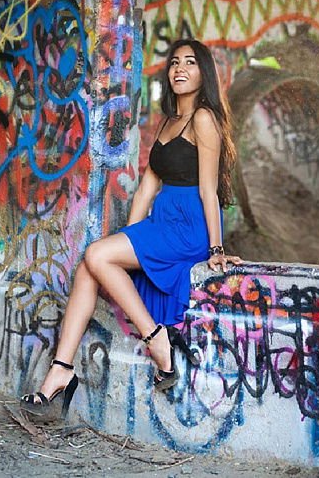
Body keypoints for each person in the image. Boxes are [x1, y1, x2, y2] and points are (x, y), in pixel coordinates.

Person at [21, 39, 242, 415]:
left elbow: (208, 191)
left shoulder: (204, 118)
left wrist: (216, 249)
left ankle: (157, 340)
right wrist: (128, 244)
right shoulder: (169, 122)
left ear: (204, 72)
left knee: (97, 255)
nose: (180, 69)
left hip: (188, 225)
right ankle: (60, 372)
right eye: (174, 62)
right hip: (161, 221)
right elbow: (144, 190)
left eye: (190, 62)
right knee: (90, 267)